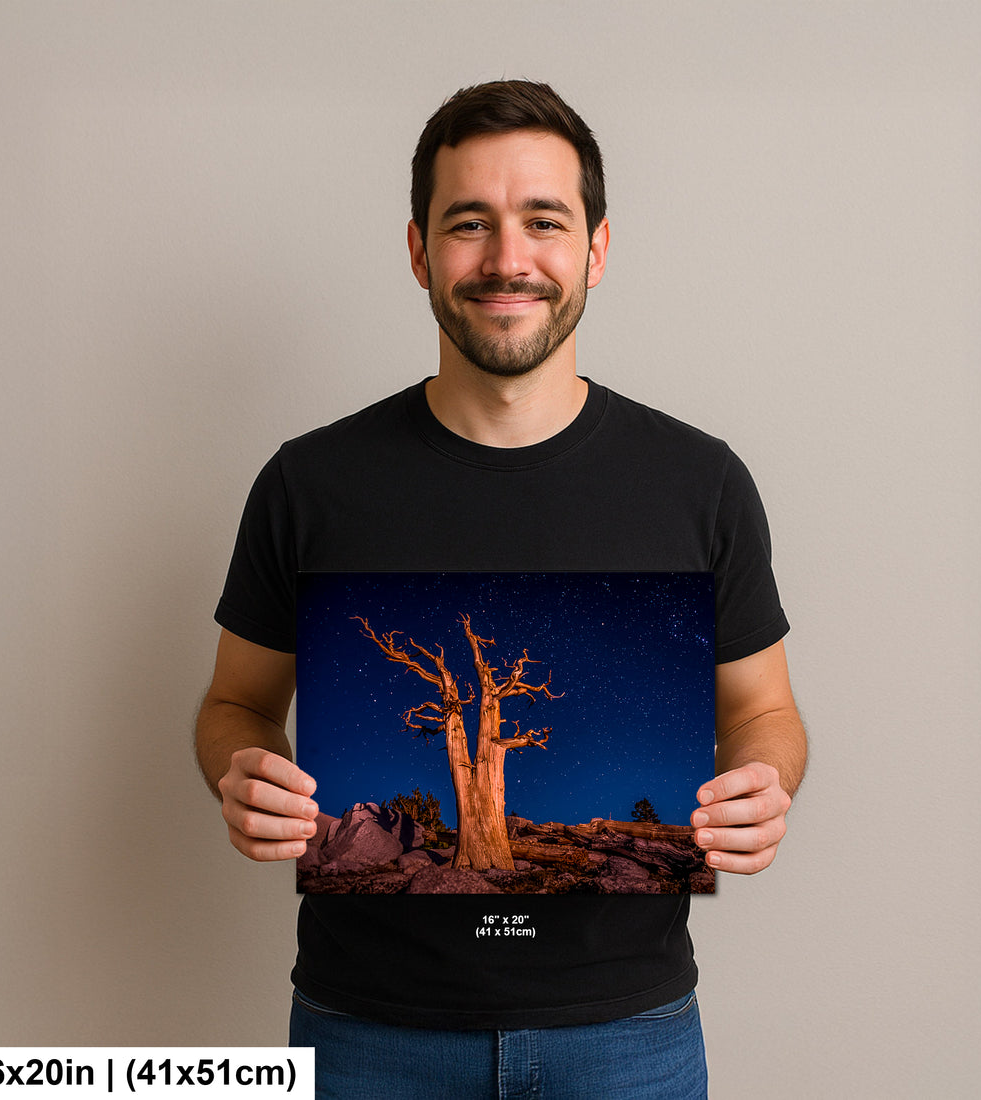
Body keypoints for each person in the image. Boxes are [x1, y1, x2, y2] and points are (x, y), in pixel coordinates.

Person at [195, 80, 807, 1099]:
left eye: (542, 221)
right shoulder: (311, 483)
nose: (506, 257)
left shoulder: (698, 482)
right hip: (367, 1034)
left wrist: (762, 783)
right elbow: (233, 702)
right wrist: (240, 768)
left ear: (596, 249)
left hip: (627, 1033)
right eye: (468, 222)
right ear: (417, 250)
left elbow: (766, 712)